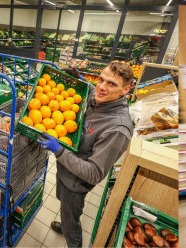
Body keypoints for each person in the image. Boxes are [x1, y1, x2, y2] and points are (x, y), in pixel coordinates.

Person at [39, 61, 135, 247]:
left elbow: (94, 173)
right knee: (65, 206)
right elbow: (93, 91)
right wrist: (82, 81)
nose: (101, 87)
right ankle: (66, 222)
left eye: (111, 84)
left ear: (125, 90)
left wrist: (59, 151)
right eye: (101, 80)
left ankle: (71, 236)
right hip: (65, 169)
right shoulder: (100, 99)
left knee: (71, 220)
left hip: (76, 183)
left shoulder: (117, 129)